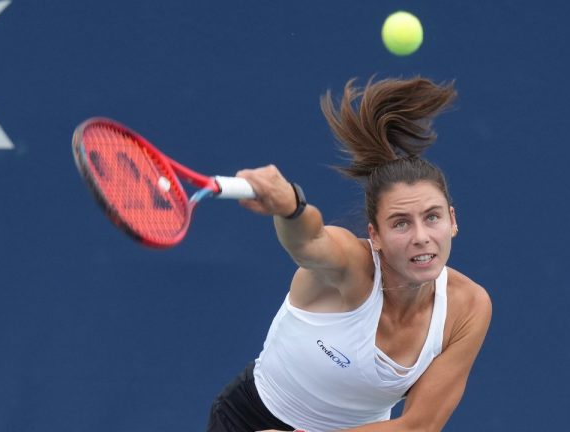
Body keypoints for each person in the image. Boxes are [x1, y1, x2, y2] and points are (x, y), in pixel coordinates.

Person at [206, 76, 492, 432]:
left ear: (452, 221)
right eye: (401, 224)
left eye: (432, 217)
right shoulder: (350, 266)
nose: (421, 237)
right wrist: (291, 207)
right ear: (376, 236)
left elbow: (418, 427)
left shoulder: (469, 307)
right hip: (249, 421)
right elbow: (308, 241)